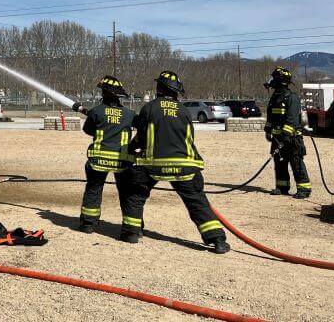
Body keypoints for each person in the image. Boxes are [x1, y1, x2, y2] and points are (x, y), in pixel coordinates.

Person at [125, 70, 231, 254]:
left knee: (134, 194)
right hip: (185, 165)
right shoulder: (184, 110)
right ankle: (217, 240)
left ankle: (131, 233)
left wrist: (131, 147)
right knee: (197, 201)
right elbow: (188, 138)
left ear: (159, 88)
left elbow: (142, 137)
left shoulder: (149, 108)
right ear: (176, 91)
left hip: (153, 164)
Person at [71, 75, 137, 234]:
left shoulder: (96, 111)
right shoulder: (130, 114)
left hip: (98, 160)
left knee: (94, 189)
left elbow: (88, 130)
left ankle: (88, 224)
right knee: (127, 193)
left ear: (105, 93)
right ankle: (132, 231)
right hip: (122, 161)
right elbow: (141, 129)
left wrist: (102, 124)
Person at [264, 66, 312, 198]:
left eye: (273, 78)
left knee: (296, 163)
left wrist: (286, 135)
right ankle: (282, 187)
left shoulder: (291, 97)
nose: (271, 81)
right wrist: (268, 130)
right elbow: (271, 116)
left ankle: (304, 189)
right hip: (277, 138)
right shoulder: (275, 97)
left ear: (280, 81)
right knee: (279, 163)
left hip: (292, 138)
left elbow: (292, 119)